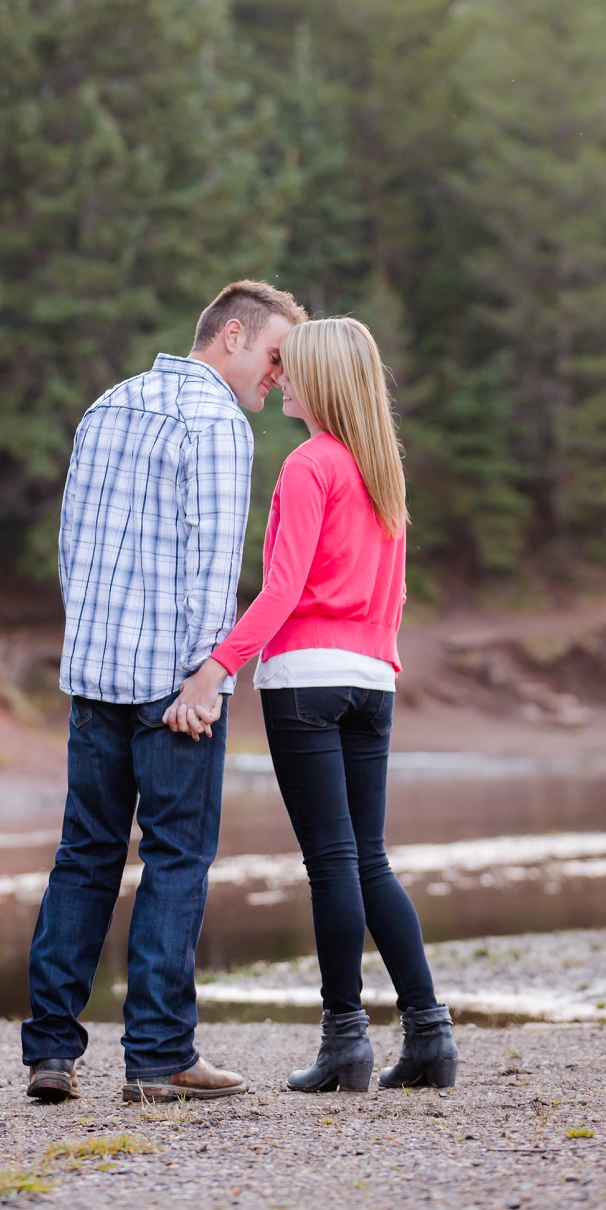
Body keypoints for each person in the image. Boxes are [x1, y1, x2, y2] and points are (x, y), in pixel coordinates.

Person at [22, 280, 308, 1104]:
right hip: (172, 686)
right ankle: (157, 1057)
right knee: (177, 860)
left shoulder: (107, 405)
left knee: (85, 856)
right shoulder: (218, 424)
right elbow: (213, 572)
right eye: (275, 356)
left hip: (95, 676)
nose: (279, 378)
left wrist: (87, 648)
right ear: (232, 337)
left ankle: (51, 1052)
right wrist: (206, 682)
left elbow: (72, 547)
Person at [166, 316, 458, 1093]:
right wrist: (378, 662)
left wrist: (214, 669)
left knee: (331, 864)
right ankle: (429, 1035)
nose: (279, 379)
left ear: (321, 380)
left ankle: (344, 1042)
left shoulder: (310, 465)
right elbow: (391, 598)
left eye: (291, 369)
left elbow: (283, 590)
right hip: (372, 681)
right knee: (370, 859)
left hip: (307, 682)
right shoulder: (382, 470)